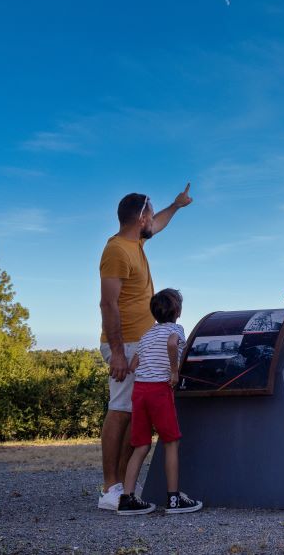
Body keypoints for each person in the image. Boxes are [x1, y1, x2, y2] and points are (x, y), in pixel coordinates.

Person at [97, 185, 192, 511]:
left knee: (134, 413)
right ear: (140, 217)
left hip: (142, 341)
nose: (154, 220)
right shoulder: (117, 251)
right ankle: (111, 488)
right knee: (121, 411)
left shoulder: (136, 242)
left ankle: (126, 488)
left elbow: (159, 224)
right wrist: (119, 352)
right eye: (151, 214)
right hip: (125, 344)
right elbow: (108, 304)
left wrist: (177, 205)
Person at [117, 288, 203, 515]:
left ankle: (126, 499)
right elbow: (174, 343)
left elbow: (134, 364)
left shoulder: (147, 335)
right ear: (178, 311)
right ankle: (174, 499)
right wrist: (173, 371)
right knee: (171, 442)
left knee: (141, 445)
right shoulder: (175, 329)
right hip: (158, 391)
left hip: (140, 391)